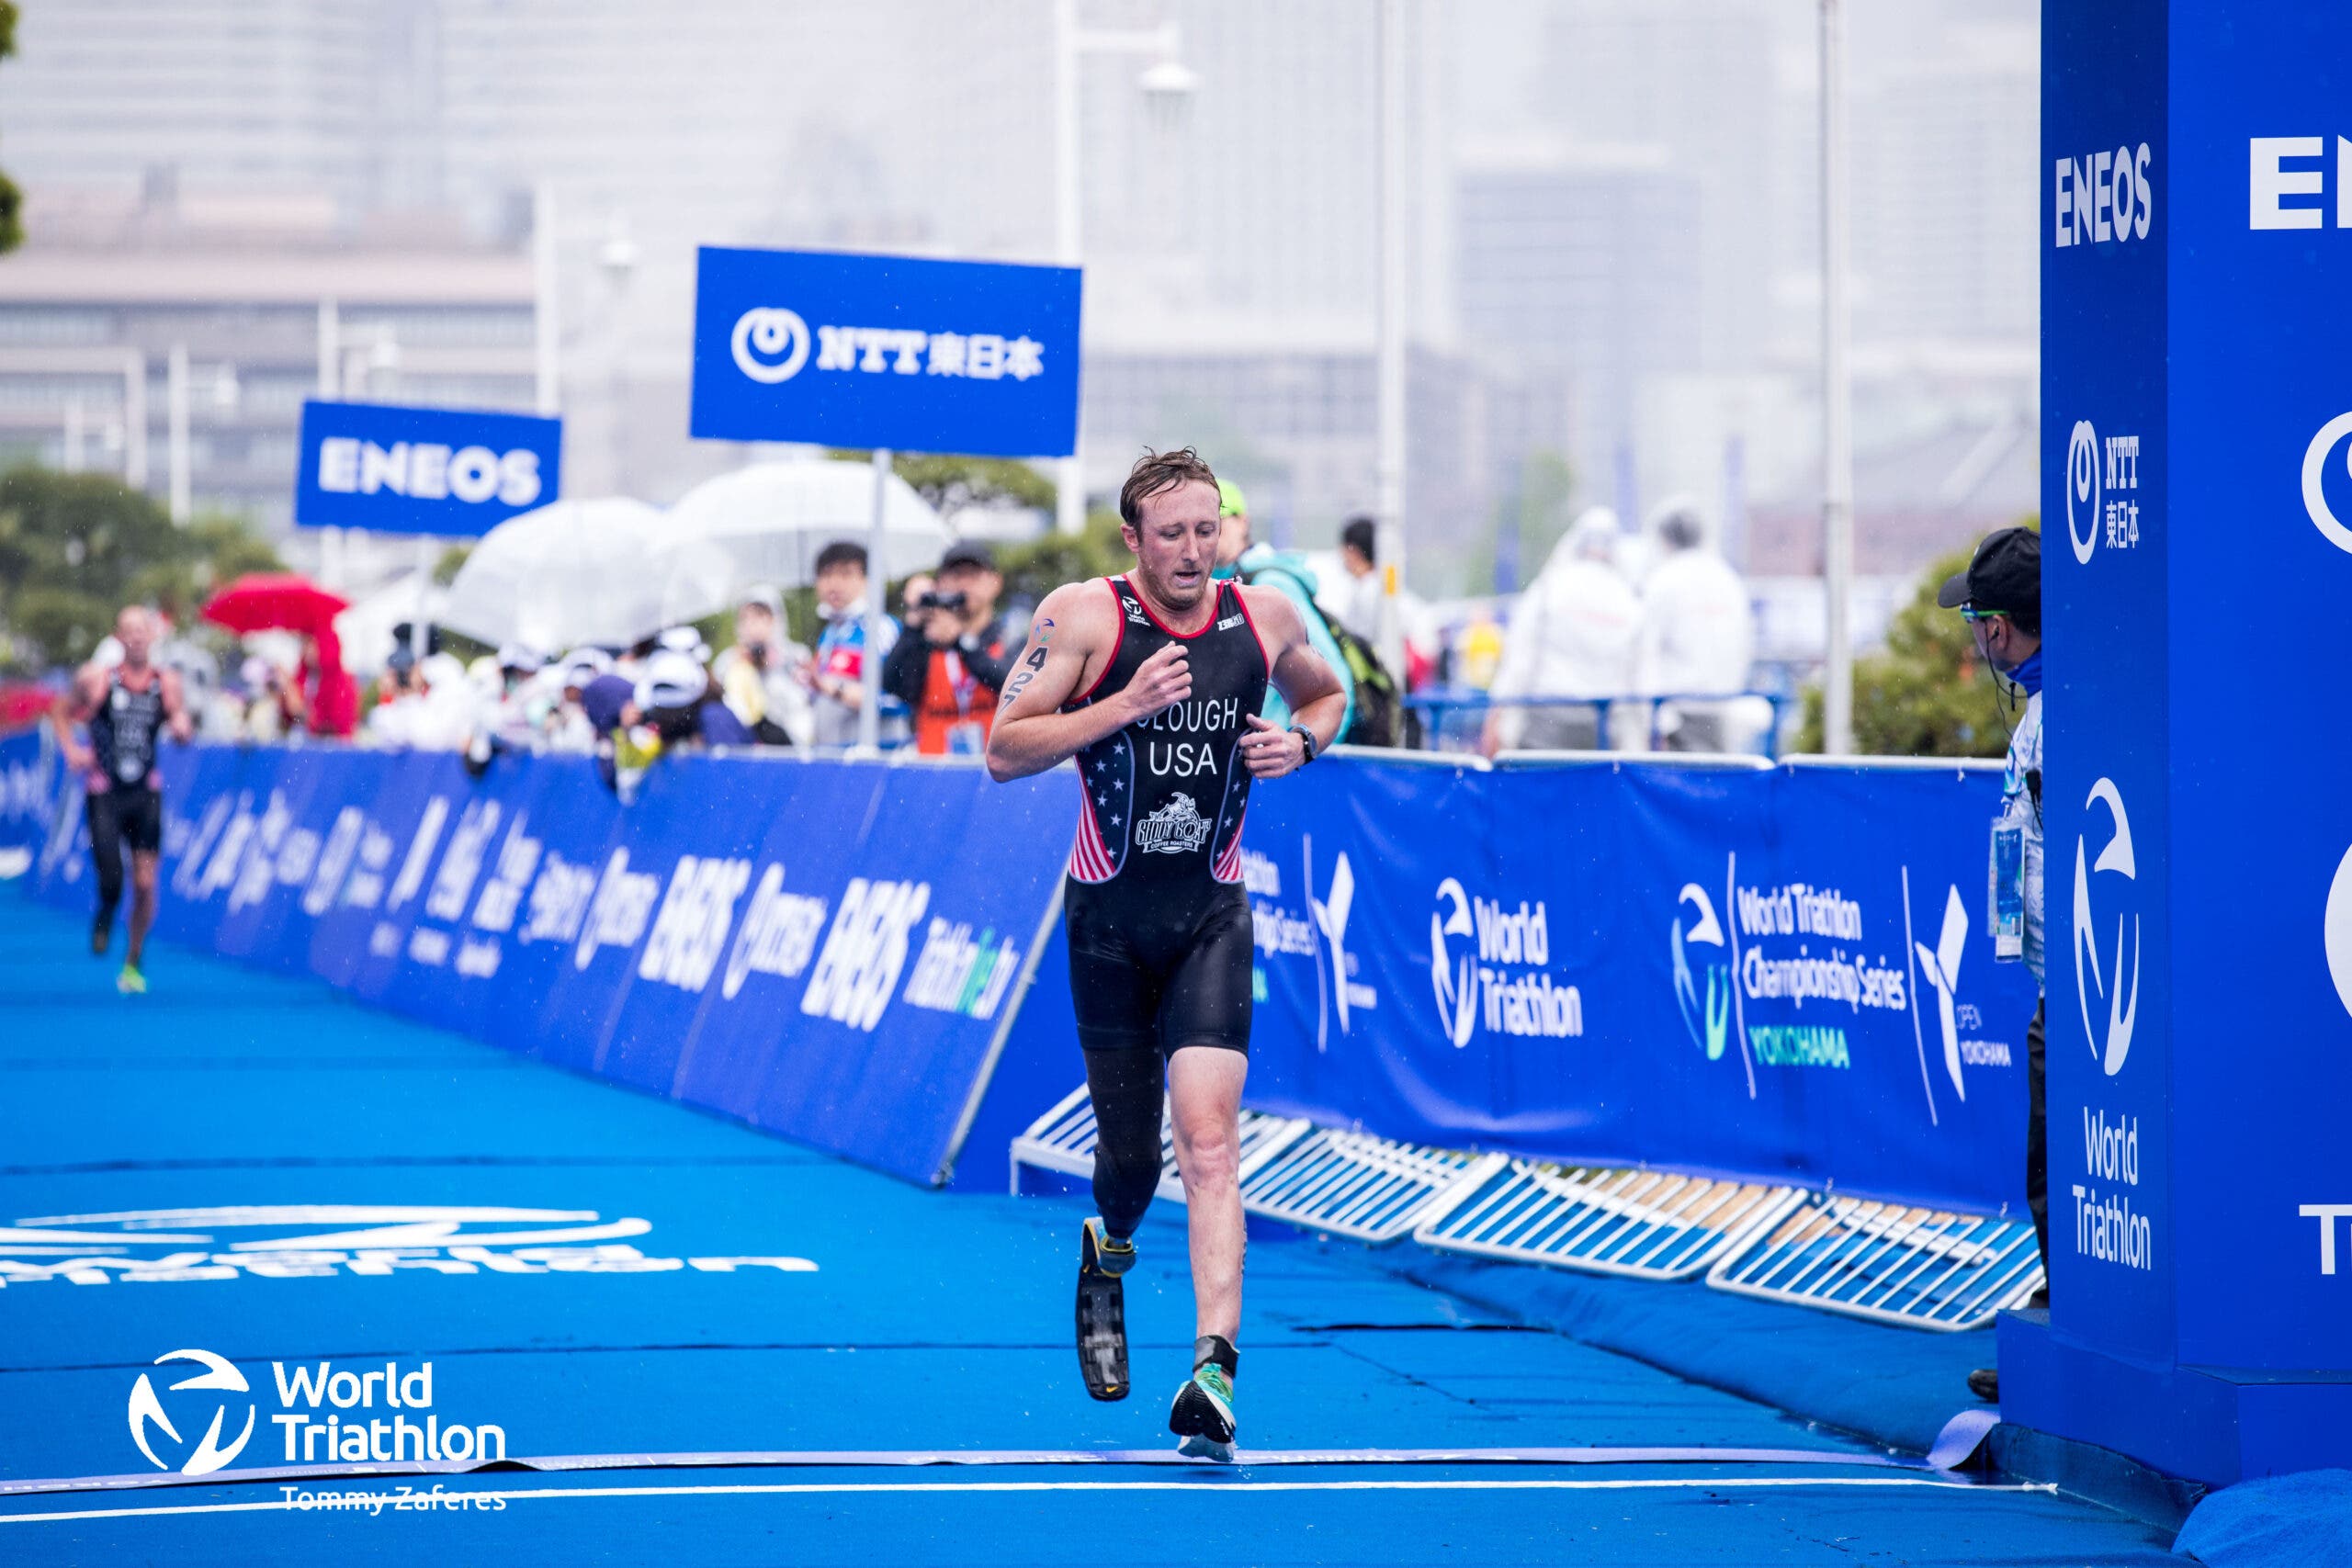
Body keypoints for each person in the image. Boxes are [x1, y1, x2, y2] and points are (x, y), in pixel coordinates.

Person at [986, 447, 1347, 1460]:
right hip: (1107, 923)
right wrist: (1123, 705)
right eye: (1171, 533)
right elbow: (1002, 748)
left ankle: (1212, 1374)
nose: (1192, 550)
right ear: (1133, 539)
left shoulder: (1264, 617)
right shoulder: (1084, 617)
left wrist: (1304, 743)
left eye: (1207, 530)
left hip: (1210, 918)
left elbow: (1327, 696)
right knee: (1131, 1165)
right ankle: (1106, 1249)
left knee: (1210, 1143)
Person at [1939, 527, 2045, 1405]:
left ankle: (2066, 1348)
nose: (1975, 639)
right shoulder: (2048, 707)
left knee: (2056, 1172)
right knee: (2051, 1170)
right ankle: (2061, 1334)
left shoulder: (2063, 711)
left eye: (1977, 620)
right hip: (2072, 979)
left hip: (2088, 985)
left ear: (2001, 629)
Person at [50, 606, 194, 993]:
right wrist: (71, 750)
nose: (135, 638)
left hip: (144, 792)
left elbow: (181, 723)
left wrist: (182, 728)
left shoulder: (166, 683)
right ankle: (106, 911)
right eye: (128, 631)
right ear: (117, 637)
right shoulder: (96, 681)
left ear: (152, 636)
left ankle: (133, 959)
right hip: (104, 793)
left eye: (142, 630)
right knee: (112, 877)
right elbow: (60, 713)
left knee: (146, 881)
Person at [1482, 507, 1641, 755]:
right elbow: (1636, 676)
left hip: (1546, 725)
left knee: (1540, 790)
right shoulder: (1628, 600)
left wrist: (1499, 722)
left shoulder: (1550, 587)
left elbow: (1520, 661)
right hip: (1603, 731)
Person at [1210, 479, 1358, 743]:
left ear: (1243, 521)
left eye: (1220, 518)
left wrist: (1305, 749)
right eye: (1201, 522)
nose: (1211, 529)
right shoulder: (1212, 585)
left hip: (1278, 764)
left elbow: (1335, 682)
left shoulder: (1270, 584)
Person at [1634, 497, 1756, 751]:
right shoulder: (1727, 579)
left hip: (1677, 716)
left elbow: (1645, 653)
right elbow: (1745, 647)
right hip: (1723, 711)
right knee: (1718, 783)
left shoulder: (1663, 580)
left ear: (1665, 539)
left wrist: (1653, 722)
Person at [882, 541, 1017, 756]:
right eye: (955, 576)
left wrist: (960, 641)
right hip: (935, 772)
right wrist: (913, 625)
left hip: (998, 770)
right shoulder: (927, 640)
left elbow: (1009, 682)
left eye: (973, 575)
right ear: (940, 583)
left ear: (995, 582)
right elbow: (893, 686)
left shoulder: (1012, 635)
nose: (963, 584)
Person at [802, 542, 897, 747]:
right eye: (826, 575)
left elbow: (896, 699)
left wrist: (837, 691)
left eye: (845, 574)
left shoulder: (880, 628)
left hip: (871, 759)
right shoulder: (829, 633)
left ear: (866, 580)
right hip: (832, 758)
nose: (834, 584)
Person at [714, 585, 815, 749]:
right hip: (745, 744)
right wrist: (740, 670)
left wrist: (773, 668)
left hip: (790, 744)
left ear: (776, 618)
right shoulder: (728, 660)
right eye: (745, 618)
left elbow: (803, 704)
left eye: (759, 616)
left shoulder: (796, 655)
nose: (752, 626)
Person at [1332, 515, 1385, 645]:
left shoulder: (1368, 591)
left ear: (1354, 551)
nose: (1342, 554)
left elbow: (1362, 640)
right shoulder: (1372, 586)